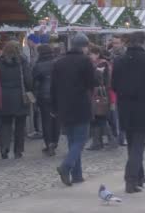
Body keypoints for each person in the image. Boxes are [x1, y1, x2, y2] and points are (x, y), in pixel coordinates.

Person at [112, 32, 145, 194]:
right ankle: (131, 179)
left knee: (132, 144)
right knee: (138, 146)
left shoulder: (119, 61)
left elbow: (114, 84)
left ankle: (139, 177)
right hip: (144, 107)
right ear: (143, 43)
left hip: (125, 107)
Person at [51, 33, 96, 186]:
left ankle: (77, 175)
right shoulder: (85, 61)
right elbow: (92, 83)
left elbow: (53, 87)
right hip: (81, 104)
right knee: (81, 140)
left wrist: (54, 106)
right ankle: (66, 166)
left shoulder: (59, 62)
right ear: (85, 46)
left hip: (64, 106)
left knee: (72, 141)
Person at [0, 41, 32, 159]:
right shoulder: (22, 61)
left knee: (5, 124)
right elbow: (28, 79)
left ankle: (4, 147)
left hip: (4, 96)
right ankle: (18, 150)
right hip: (20, 96)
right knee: (20, 126)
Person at [33, 44, 59, 156]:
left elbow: (33, 80)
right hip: (57, 94)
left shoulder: (38, 65)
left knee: (46, 120)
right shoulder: (57, 62)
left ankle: (49, 144)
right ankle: (55, 142)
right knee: (56, 119)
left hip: (44, 95)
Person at [86, 46, 112, 151]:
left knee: (99, 118)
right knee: (98, 118)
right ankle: (99, 142)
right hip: (99, 94)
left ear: (97, 54)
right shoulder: (100, 64)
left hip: (100, 94)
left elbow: (100, 80)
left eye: (91, 54)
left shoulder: (102, 64)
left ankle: (109, 139)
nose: (89, 56)